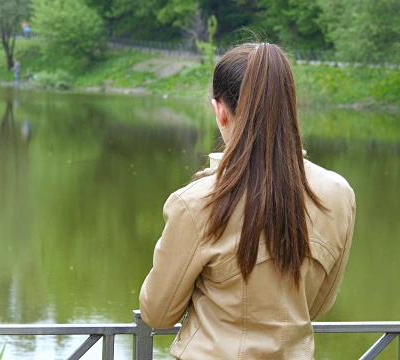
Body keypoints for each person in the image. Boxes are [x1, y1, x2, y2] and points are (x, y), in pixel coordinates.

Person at [139, 43, 356, 359]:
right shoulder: (338, 193)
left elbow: (157, 314)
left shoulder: (198, 202)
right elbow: (318, 306)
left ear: (220, 110)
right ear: (290, 106)